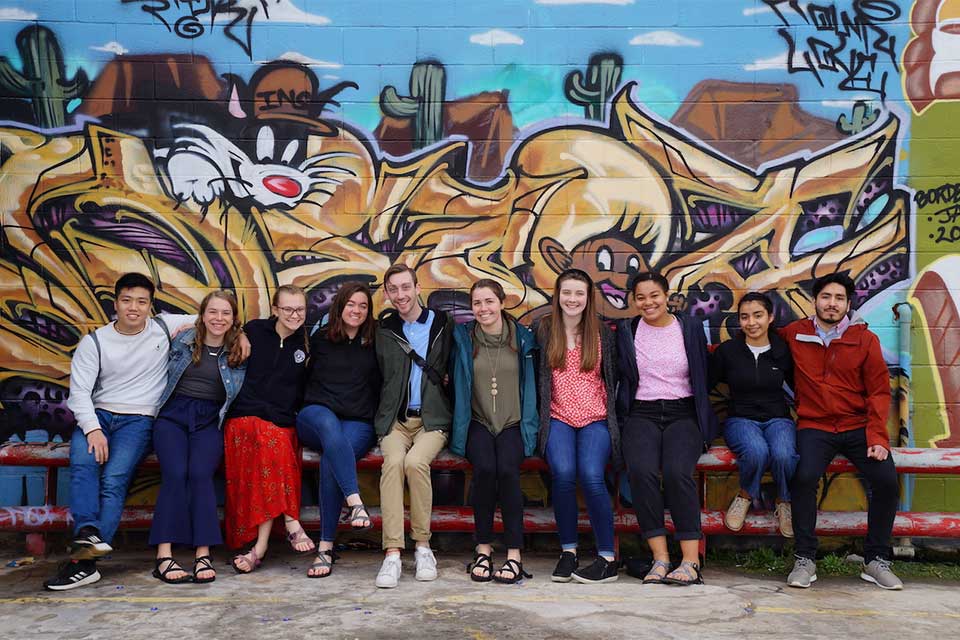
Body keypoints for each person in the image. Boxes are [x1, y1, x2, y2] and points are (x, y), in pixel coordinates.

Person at [45, 273, 197, 591]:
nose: (134, 308)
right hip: (98, 416)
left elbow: (214, 315)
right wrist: (93, 430)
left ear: (151, 306)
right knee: (84, 467)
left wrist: (242, 335)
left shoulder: (163, 327)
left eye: (142, 302)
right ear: (115, 304)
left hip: (139, 420)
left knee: (114, 479)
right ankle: (88, 536)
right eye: (127, 300)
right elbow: (79, 393)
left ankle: (84, 562)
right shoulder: (95, 342)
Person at [782, 273, 902, 590]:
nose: (831, 304)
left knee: (887, 480)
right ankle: (805, 558)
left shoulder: (864, 339)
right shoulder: (794, 334)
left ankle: (875, 560)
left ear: (848, 304)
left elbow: (878, 392)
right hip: (815, 425)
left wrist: (878, 437)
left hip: (857, 426)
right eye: (826, 297)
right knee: (804, 477)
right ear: (815, 300)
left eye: (838, 298)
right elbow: (756, 348)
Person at [616, 271, 717, 586]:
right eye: (641, 297)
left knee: (676, 473)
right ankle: (660, 559)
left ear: (666, 295)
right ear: (634, 300)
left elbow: (703, 373)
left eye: (654, 295)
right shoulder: (627, 329)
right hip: (642, 412)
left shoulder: (688, 327)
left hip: (682, 412)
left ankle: (690, 561)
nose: (648, 303)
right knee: (641, 472)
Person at [148, 290, 247, 584]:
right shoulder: (183, 338)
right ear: (202, 314)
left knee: (201, 474)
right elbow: (155, 321)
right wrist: (193, 321)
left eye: (226, 313)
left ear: (234, 319)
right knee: (175, 473)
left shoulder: (238, 350)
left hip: (209, 419)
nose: (219, 319)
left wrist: (242, 335)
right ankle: (164, 555)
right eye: (212, 312)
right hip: (172, 416)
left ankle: (203, 553)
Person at [451, 279, 538, 584]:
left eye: (489, 301)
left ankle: (514, 555)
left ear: (502, 302)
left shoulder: (524, 339)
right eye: (477, 302)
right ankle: (484, 549)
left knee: (509, 472)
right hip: (478, 422)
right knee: (485, 469)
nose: (483, 308)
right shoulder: (463, 338)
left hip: (513, 423)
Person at [536, 269, 620, 584]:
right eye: (566, 293)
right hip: (557, 417)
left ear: (588, 298)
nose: (572, 299)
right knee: (563, 474)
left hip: (595, 418)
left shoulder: (603, 334)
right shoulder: (544, 329)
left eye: (579, 294)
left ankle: (606, 557)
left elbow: (615, 378)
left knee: (592, 476)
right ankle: (569, 552)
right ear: (557, 296)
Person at [373, 264, 454, 589]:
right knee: (392, 463)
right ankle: (392, 553)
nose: (401, 295)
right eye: (394, 289)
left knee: (415, 463)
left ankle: (423, 547)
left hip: (432, 420)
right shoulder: (383, 328)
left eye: (406, 287)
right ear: (387, 293)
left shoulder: (443, 324)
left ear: (418, 288)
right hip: (396, 420)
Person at [224, 285, 314, 574]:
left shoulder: (308, 343)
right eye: (287, 309)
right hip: (244, 419)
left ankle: (259, 547)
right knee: (268, 443)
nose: (294, 315)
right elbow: (206, 321)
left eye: (300, 309)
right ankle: (290, 520)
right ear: (275, 309)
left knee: (273, 443)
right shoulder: (254, 331)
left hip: (281, 423)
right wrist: (238, 333)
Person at [296, 282, 381, 578]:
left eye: (363, 306)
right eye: (350, 304)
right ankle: (356, 502)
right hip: (315, 416)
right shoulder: (317, 339)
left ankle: (325, 547)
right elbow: (273, 326)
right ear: (340, 306)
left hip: (358, 422)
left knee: (333, 458)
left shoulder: (376, 341)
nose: (356, 310)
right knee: (330, 429)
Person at [710, 292, 797, 536]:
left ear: (770, 317)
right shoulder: (728, 351)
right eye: (745, 317)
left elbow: (801, 386)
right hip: (740, 418)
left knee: (784, 455)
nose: (751, 322)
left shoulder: (783, 351)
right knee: (757, 452)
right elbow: (705, 384)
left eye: (758, 315)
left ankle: (784, 501)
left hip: (778, 418)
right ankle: (745, 494)